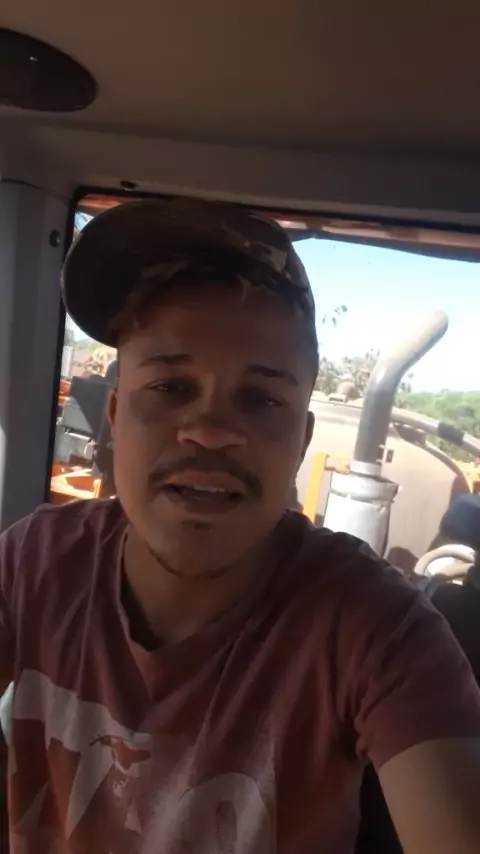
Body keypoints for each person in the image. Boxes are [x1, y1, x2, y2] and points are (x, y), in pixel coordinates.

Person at [1, 197, 480, 854]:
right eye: (170, 387)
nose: (209, 431)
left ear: (301, 441)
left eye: (261, 398)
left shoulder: (375, 627)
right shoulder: (34, 561)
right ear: (114, 416)